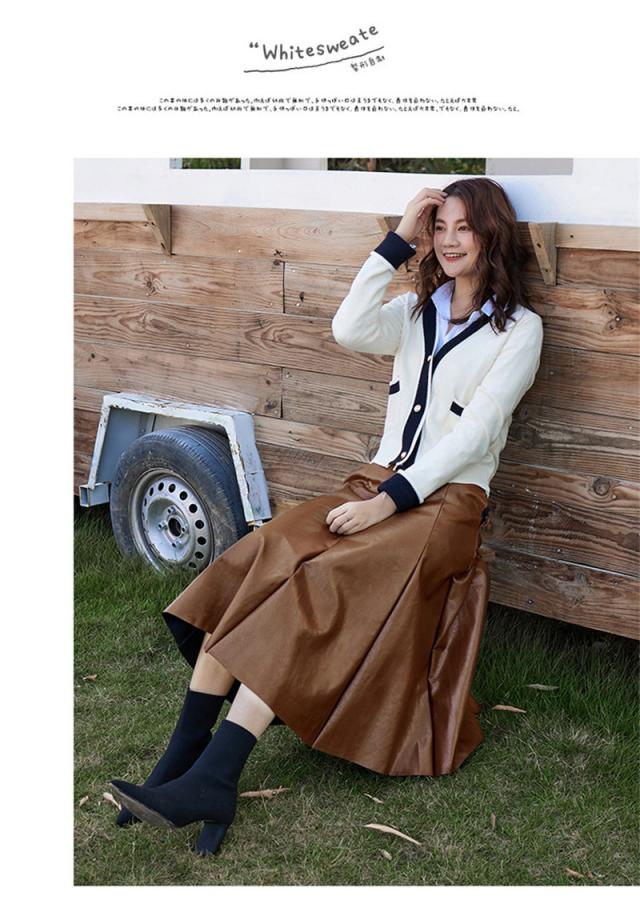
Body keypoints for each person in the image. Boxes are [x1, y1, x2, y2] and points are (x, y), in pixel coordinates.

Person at [110, 177, 544, 856]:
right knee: (267, 556)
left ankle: (215, 776)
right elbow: (348, 328)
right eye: (440, 227)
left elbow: (474, 437)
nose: (449, 240)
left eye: (464, 227)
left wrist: (384, 505)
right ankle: (182, 761)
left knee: (318, 585)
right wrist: (399, 236)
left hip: (446, 506)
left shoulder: (519, 330)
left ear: (492, 233)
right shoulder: (416, 311)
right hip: (377, 481)